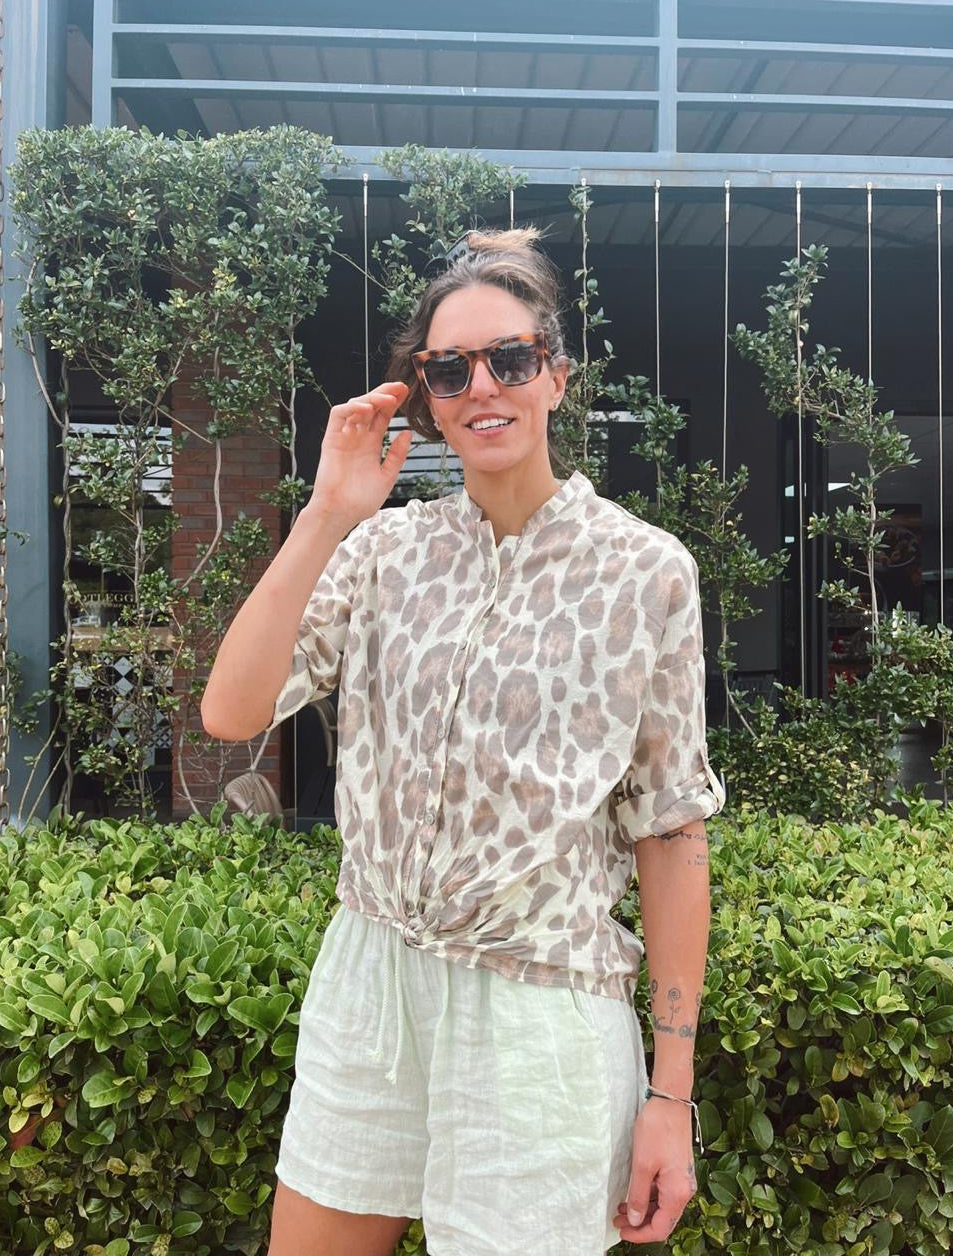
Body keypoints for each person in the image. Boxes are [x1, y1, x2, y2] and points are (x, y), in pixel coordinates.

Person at [201, 226, 725, 1256]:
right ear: (429, 398)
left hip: (538, 1011)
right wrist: (325, 514)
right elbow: (231, 710)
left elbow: (671, 830)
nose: (482, 386)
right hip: (372, 982)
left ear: (556, 376)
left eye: (510, 359)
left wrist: (672, 1094)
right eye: (449, 369)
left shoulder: (645, 573)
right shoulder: (386, 551)